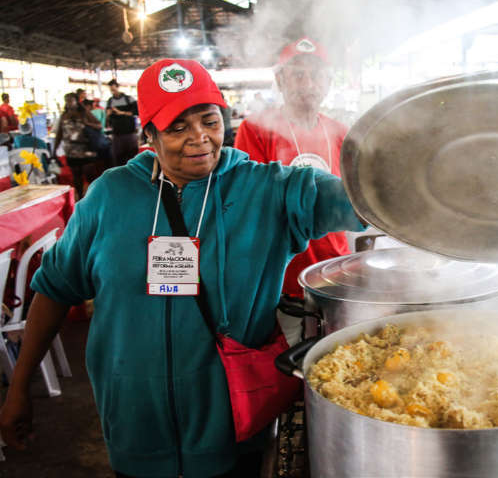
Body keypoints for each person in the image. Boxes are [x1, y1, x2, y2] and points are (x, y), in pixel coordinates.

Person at [0, 58, 365, 478]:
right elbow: (55, 289)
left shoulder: (270, 189)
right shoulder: (109, 196)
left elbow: (362, 200)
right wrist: (20, 388)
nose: (199, 139)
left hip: (233, 425)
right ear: (149, 135)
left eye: (209, 120)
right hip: (135, 424)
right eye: (176, 127)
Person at [234, 37, 351, 345]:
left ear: (328, 81)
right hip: (282, 275)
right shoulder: (256, 129)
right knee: (289, 358)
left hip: (335, 267)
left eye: (316, 74)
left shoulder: (340, 132)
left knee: (337, 353)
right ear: (280, 80)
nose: (307, 83)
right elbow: (249, 201)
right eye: (297, 74)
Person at [50, 92, 104, 199]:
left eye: (71, 100)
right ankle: (80, 197)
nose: (69, 103)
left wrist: (87, 123)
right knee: (76, 176)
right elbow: (59, 134)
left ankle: (94, 196)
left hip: (86, 149)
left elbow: (99, 125)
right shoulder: (64, 116)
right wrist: (54, 150)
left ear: (76, 101)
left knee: (90, 175)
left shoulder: (84, 113)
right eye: (67, 101)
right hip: (71, 150)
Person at [106, 78, 139, 167]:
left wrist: (121, 112)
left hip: (129, 133)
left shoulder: (129, 99)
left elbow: (136, 112)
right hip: (117, 134)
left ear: (118, 87)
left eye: (113, 89)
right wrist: (108, 114)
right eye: (111, 90)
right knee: (118, 159)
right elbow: (108, 116)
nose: (112, 92)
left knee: (132, 158)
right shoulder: (110, 101)